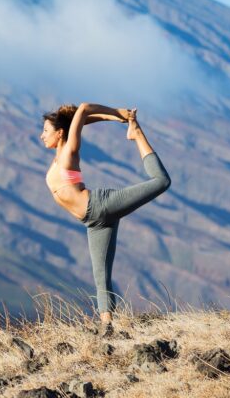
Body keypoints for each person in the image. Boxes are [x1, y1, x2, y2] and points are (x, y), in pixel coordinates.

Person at [40, 103, 171, 333]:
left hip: (101, 205)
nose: (42, 136)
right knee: (101, 276)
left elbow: (83, 109)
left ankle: (137, 134)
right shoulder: (58, 154)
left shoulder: (69, 150)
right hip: (93, 222)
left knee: (161, 181)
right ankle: (107, 327)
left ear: (59, 133)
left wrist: (117, 113)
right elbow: (78, 122)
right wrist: (111, 119)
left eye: (46, 131)